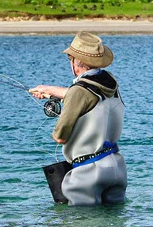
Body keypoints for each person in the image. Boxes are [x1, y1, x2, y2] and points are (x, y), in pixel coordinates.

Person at [30, 31, 127, 206]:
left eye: (70, 59)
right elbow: (85, 96)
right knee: (114, 225)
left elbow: (60, 136)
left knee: (81, 226)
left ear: (76, 62)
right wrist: (50, 90)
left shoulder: (79, 92)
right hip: (116, 166)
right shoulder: (110, 82)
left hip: (89, 171)